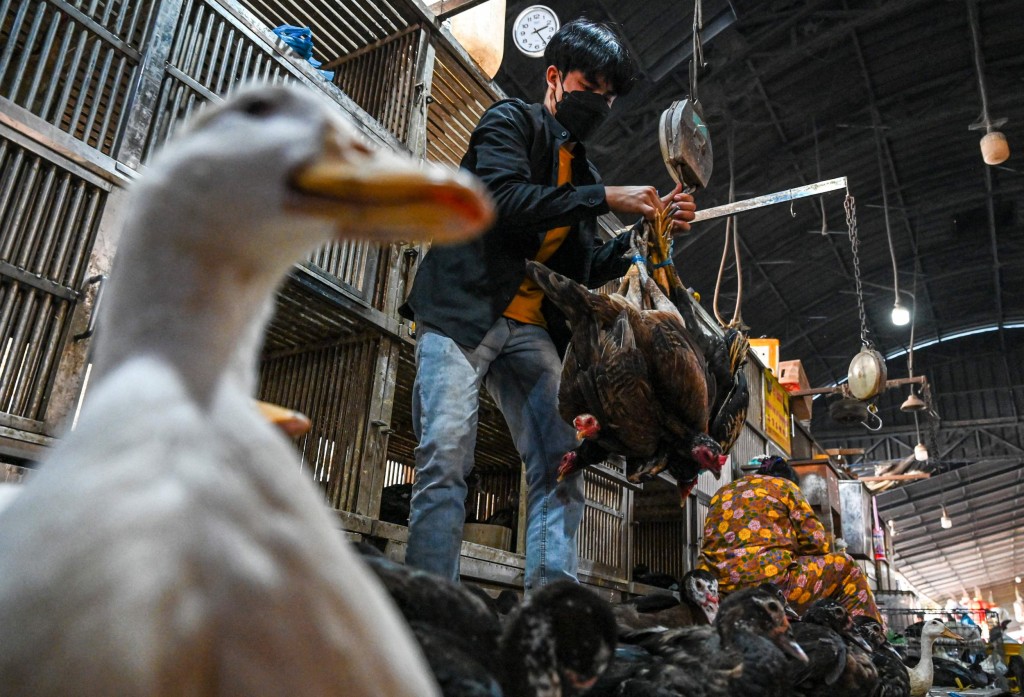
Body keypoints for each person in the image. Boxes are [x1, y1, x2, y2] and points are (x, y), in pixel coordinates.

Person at [398, 18, 696, 592]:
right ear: (555, 77)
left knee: (562, 462)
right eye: (593, 86)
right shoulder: (509, 122)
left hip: (532, 329)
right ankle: (428, 603)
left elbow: (585, 269)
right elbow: (504, 199)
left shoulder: (583, 171)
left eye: (610, 95)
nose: (601, 102)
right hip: (464, 312)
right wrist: (603, 197)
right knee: (445, 457)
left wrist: (648, 236)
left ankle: (550, 606)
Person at [697, 455, 882, 621]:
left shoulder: (724, 491)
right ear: (789, 479)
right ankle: (870, 635)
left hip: (718, 588)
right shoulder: (786, 487)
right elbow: (817, 542)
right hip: (771, 586)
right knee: (847, 566)